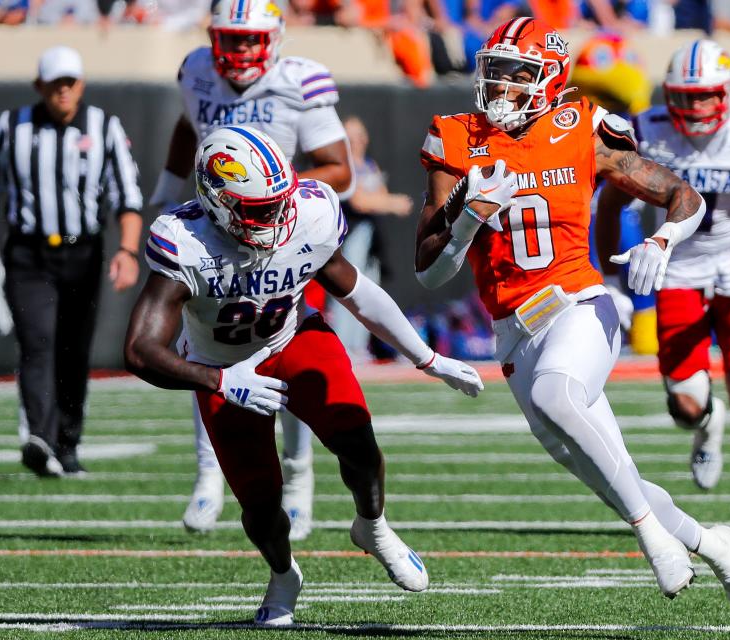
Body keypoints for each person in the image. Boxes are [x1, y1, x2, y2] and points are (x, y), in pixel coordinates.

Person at [415, 18, 730, 627]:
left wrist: (662, 240)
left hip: (579, 304)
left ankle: (653, 539)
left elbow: (685, 196)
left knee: (559, 395)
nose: (499, 85)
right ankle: (716, 546)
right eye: (493, 70)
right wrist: (467, 216)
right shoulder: (455, 136)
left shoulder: (582, 128)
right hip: (511, 331)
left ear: (549, 78)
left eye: (515, 73)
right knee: (611, 474)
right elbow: (427, 272)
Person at [125, 125, 483, 626]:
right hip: (221, 366)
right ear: (217, 204)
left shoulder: (309, 212)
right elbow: (140, 352)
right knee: (261, 505)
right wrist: (221, 382)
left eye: (280, 201)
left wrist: (427, 358)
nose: (277, 217)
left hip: (292, 336)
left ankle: (373, 526)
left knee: (358, 441)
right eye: (258, 209)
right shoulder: (184, 242)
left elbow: (356, 291)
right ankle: (283, 573)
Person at [148, 0, 354, 538]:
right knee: (204, 346)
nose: (238, 50)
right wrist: (167, 197)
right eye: (229, 38)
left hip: (277, 234)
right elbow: (188, 129)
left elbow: (341, 171)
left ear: (274, 38)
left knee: (287, 354)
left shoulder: (299, 83)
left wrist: (268, 193)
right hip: (214, 231)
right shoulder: (196, 70)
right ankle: (208, 474)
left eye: (248, 40)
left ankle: (299, 479)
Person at [598, 40, 730, 538]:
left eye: (706, 95)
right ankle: (708, 422)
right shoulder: (647, 130)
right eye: (686, 95)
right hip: (678, 275)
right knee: (684, 407)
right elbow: (609, 205)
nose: (697, 107)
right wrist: (613, 280)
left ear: (729, 93)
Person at [0, 46, 144, 477]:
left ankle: (68, 442)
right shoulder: (12, 127)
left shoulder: (104, 127)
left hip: (84, 251)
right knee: (38, 341)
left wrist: (128, 250)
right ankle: (40, 437)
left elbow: (128, 196)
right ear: (39, 86)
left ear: (80, 85)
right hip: (29, 253)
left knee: (74, 349)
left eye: (70, 83)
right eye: (55, 83)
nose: (63, 91)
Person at [569, 32, 658, 355]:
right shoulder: (574, 122)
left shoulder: (632, 124)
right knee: (591, 277)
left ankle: (646, 334)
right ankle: (598, 337)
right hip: (586, 211)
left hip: (621, 210)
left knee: (637, 271)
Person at [326, 115, 413, 359]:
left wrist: (386, 202)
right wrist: (391, 203)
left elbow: (378, 197)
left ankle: (359, 345)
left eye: (360, 136)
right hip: (349, 235)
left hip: (371, 239)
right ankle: (344, 345)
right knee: (347, 291)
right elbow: (361, 201)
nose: (357, 142)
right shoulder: (342, 166)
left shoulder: (368, 164)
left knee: (369, 292)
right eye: (351, 137)